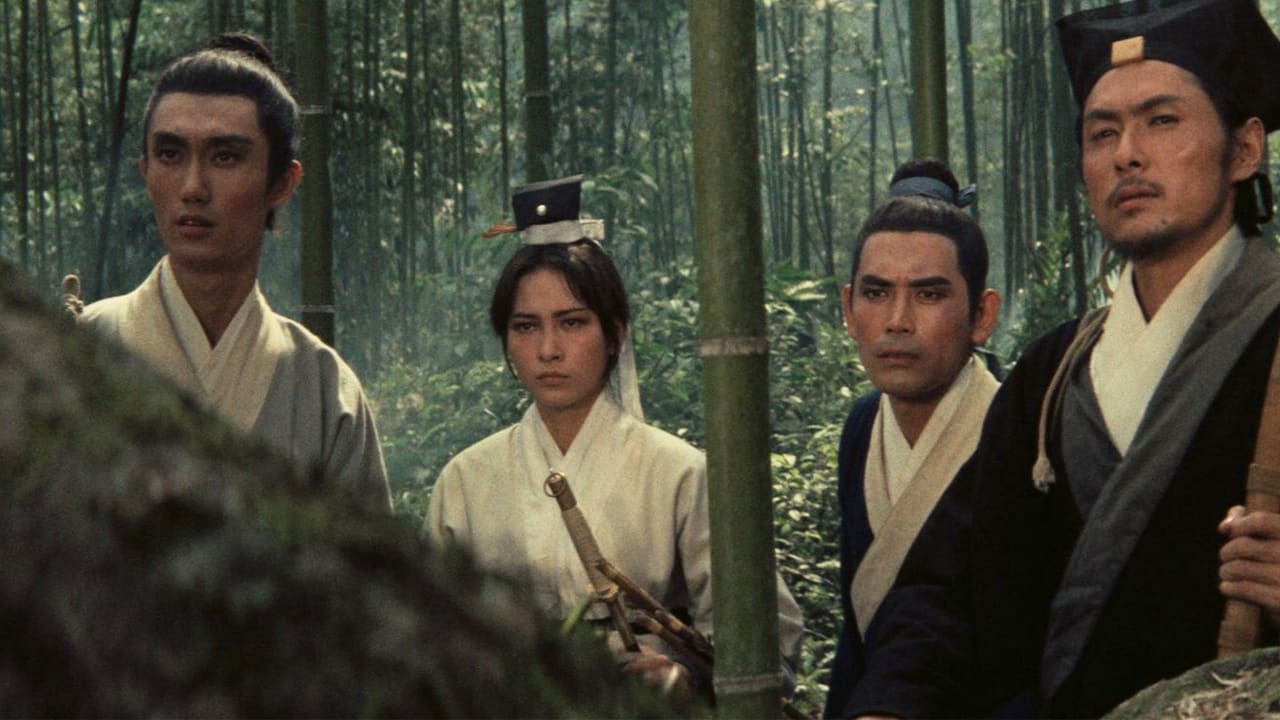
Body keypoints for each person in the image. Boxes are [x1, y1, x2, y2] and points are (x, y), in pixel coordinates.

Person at [845, 0, 1280, 716]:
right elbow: (951, 589)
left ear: (1243, 150)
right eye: (1102, 132)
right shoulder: (1053, 375)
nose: (1126, 154)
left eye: (1161, 121)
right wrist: (887, 706)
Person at [426, 175, 804, 698]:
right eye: (526, 327)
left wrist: (684, 677)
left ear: (614, 334)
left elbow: (767, 642)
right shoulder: (465, 480)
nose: (548, 349)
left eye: (572, 323)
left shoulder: (678, 471)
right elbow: (426, 642)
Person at [80, 33, 391, 514]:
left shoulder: (325, 390)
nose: (192, 187)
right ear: (145, 172)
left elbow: (369, 561)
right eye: (170, 155)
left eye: (224, 157)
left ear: (282, 182)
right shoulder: (79, 351)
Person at [824, 159, 1001, 718]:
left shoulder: (1017, 434)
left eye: (928, 295)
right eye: (876, 293)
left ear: (982, 314)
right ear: (849, 309)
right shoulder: (862, 427)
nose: (897, 320)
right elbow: (859, 634)